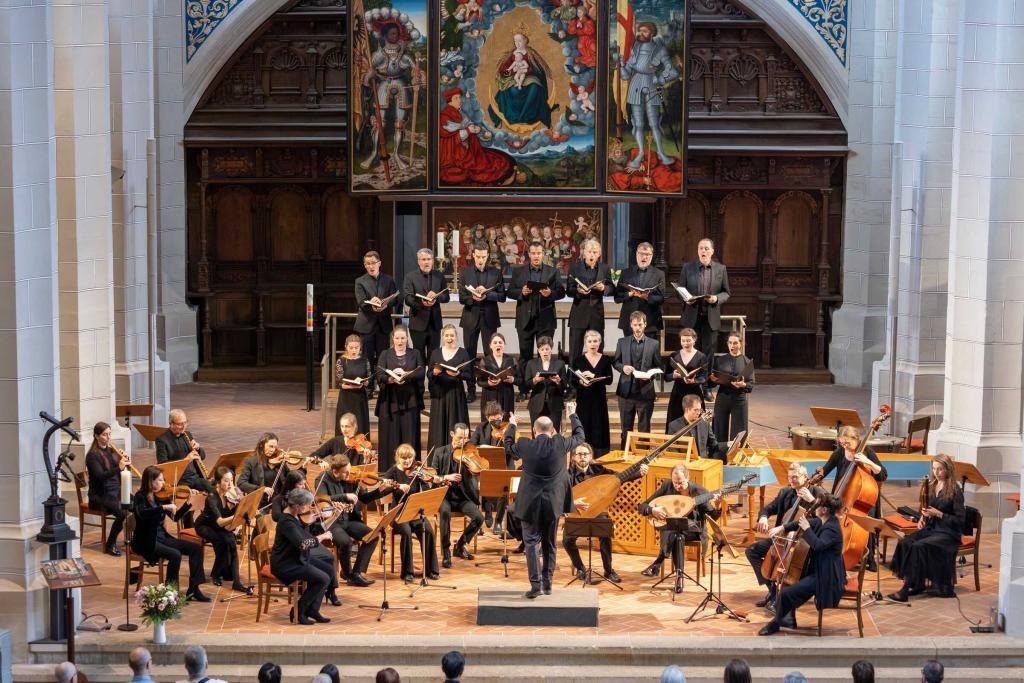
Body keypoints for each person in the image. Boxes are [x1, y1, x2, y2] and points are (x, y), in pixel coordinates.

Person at [504, 403, 585, 598]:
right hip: (553, 504)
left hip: (529, 504)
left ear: (534, 430)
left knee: (531, 543)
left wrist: (512, 425)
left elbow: (508, 446)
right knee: (550, 544)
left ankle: (535, 585)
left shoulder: (524, 444)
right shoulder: (560, 443)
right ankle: (548, 584)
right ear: (553, 430)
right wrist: (572, 413)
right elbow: (580, 437)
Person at [758, 493, 846, 635]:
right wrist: (782, 528)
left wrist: (807, 529)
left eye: (816, 506)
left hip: (827, 576)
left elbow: (818, 545)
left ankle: (776, 623)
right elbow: (799, 523)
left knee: (786, 593)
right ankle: (786, 619)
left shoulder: (832, 528)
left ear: (824, 510)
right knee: (790, 588)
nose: (814, 508)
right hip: (819, 571)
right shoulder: (823, 521)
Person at [745, 462, 826, 609]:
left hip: (803, 544)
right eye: (790, 477)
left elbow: (825, 519)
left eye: (795, 477)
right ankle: (773, 590)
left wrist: (812, 501)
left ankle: (783, 598)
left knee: (789, 566)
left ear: (806, 477)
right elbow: (768, 508)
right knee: (751, 551)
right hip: (782, 540)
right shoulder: (785, 492)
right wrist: (763, 517)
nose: (792, 480)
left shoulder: (818, 493)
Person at [564, 442, 647, 583]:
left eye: (585, 454)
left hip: (597, 511)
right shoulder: (567, 475)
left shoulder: (598, 469)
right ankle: (580, 568)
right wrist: (572, 504)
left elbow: (619, 478)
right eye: (579, 454)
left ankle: (608, 571)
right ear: (573, 457)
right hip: (576, 513)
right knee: (567, 540)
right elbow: (559, 495)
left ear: (590, 456)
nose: (582, 457)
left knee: (605, 532)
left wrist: (639, 473)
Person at [888, 454, 964, 601]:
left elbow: (960, 520)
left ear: (948, 469)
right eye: (934, 469)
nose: (936, 472)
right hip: (932, 528)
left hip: (948, 533)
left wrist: (940, 514)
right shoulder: (932, 485)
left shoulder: (955, 489)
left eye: (940, 469)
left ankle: (905, 590)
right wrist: (923, 517)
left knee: (918, 546)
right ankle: (917, 584)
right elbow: (928, 508)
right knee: (905, 542)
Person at [131, 466, 209, 601]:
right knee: (175, 554)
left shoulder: (161, 496)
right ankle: (171, 593)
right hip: (146, 541)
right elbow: (142, 514)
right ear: (151, 481)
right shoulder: (140, 497)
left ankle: (194, 588)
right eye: (160, 480)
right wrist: (162, 508)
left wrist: (188, 503)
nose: (163, 483)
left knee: (195, 548)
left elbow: (175, 517)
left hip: (162, 538)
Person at [638, 464, 721, 591]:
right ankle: (679, 577)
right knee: (677, 535)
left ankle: (657, 563)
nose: (677, 486)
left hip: (694, 530)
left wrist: (718, 506)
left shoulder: (699, 492)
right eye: (675, 482)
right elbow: (642, 506)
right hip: (675, 531)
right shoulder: (667, 486)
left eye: (681, 482)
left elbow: (712, 517)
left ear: (688, 478)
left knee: (674, 528)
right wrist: (653, 510)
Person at [368, 443, 440, 582]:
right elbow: (384, 490)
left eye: (410, 458)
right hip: (398, 514)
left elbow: (426, 491)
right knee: (406, 533)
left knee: (429, 531)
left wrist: (433, 481)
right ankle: (407, 572)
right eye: (403, 458)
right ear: (398, 458)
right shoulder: (392, 472)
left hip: (415, 512)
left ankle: (431, 569)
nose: (407, 461)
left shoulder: (417, 472)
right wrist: (398, 487)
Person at [820, 424, 888, 570]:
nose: (845, 446)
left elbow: (883, 474)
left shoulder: (867, 452)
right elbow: (825, 470)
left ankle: (868, 557)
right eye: (842, 443)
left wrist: (867, 461)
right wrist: (817, 475)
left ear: (856, 439)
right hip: (843, 497)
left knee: (864, 522)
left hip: (862, 498)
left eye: (847, 443)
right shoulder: (839, 453)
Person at [619, 21, 679, 169]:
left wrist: (659, 79)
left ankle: (661, 153)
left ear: (652, 33)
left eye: (644, 31)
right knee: (638, 124)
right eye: (640, 31)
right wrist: (621, 64)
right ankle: (640, 153)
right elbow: (625, 75)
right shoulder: (635, 48)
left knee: (654, 124)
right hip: (635, 86)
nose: (641, 34)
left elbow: (673, 71)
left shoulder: (660, 50)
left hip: (652, 86)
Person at [270, 488, 335, 625]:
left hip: (298, 558)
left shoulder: (295, 516)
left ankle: (312, 609)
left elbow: (304, 533)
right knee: (322, 579)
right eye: (306, 505)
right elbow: (304, 544)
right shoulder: (286, 522)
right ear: (298, 505)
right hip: (286, 564)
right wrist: (322, 537)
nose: (308, 508)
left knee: (329, 571)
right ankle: (298, 612)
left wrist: (317, 520)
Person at [313, 454, 378, 587]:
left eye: (349, 471)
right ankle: (347, 573)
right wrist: (345, 496)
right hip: (332, 522)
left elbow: (364, 499)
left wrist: (381, 490)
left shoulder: (348, 479)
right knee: (345, 542)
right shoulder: (322, 480)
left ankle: (356, 573)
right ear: (335, 472)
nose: (348, 475)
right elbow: (322, 499)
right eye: (345, 472)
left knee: (373, 535)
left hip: (348, 520)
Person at [428, 424, 484, 567]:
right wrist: (447, 477)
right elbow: (431, 476)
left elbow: (477, 472)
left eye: (466, 438)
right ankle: (446, 551)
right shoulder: (440, 452)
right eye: (460, 438)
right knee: (445, 512)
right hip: (444, 496)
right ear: (452, 434)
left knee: (479, 517)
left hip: (462, 497)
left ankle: (460, 545)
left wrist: (474, 468)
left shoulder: (468, 453)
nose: (463, 441)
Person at [438, 88, 516, 186]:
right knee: (482, 168)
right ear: (450, 101)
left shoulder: (460, 113)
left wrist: (481, 132)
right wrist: (468, 131)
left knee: (494, 159)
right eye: (456, 98)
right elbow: (450, 138)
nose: (460, 100)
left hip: (470, 150)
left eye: (460, 97)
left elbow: (470, 126)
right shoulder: (444, 116)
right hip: (455, 154)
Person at [458, 240, 506, 402]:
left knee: (489, 355)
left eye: (483, 257)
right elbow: (462, 298)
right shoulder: (465, 273)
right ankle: (471, 390)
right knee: (469, 356)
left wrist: (487, 295)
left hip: (490, 318)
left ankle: (489, 387)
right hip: (470, 317)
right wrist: (473, 296)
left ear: (487, 256)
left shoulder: (495, 273)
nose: (480, 260)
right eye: (478, 256)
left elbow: (502, 296)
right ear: (473, 256)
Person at [195, 467, 252, 595]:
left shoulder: (230, 494)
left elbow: (234, 513)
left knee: (231, 542)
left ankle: (236, 582)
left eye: (231, 480)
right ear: (218, 482)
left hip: (220, 526)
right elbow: (220, 521)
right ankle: (216, 573)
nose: (230, 484)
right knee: (222, 541)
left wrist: (243, 505)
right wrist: (238, 515)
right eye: (226, 481)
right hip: (205, 525)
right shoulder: (212, 498)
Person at [375, 324, 425, 472]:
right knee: (391, 434)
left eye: (403, 338)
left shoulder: (415, 353)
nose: (400, 341)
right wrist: (391, 379)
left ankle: (411, 467)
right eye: (397, 338)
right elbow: (379, 374)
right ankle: (389, 468)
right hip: (390, 400)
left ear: (407, 338)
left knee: (410, 433)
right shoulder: (385, 354)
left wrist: (406, 375)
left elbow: (421, 371)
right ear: (393, 338)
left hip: (410, 400)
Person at [677, 238, 731, 369]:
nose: (703, 251)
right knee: (690, 352)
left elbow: (726, 292)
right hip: (691, 317)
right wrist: (686, 299)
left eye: (706, 248)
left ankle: (705, 385)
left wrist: (716, 299)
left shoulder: (720, 269)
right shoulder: (687, 268)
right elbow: (679, 291)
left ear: (712, 251)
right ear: (697, 250)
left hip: (710, 318)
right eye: (700, 248)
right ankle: (691, 383)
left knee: (708, 353)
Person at [507, 240, 564, 364]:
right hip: (525, 320)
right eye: (533, 253)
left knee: (544, 356)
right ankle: (525, 383)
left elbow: (561, 292)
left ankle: (543, 383)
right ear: (529, 254)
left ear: (543, 253)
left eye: (538, 253)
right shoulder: (518, 271)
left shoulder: (553, 271)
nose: (536, 256)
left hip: (545, 320)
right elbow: (510, 292)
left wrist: (550, 294)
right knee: (524, 356)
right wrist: (521, 292)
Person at [613, 311, 661, 449]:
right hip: (626, 393)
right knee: (625, 429)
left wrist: (651, 374)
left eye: (640, 324)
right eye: (635, 325)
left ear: (645, 324)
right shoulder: (622, 342)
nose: (638, 328)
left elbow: (658, 366)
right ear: (631, 325)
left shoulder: (654, 344)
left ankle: (644, 459)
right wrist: (623, 368)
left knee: (644, 430)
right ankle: (625, 457)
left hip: (645, 393)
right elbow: (616, 362)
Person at [470, 400, 516, 535]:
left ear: (502, 415)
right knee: (478, 482)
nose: (497, 423)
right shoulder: (481, 428)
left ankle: (498, 521)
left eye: (499, 418)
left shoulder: (509, 429)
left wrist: (505, 438)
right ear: (487, 418)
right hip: (485, 468)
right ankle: (487, 511)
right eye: (493, 420)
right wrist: (482, 448)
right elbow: (472, 446)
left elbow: (515, 453)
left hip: (504, 468)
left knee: (504, 491)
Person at [354, 251, 399, 389]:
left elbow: (396, 298)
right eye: (367, 264)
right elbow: (361, 302)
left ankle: (382, 385)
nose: (370, 266)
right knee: (366, 358)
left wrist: (385, 304)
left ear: (379, 263)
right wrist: (371, 303)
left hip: (383, 325)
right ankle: (368, 387)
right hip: (366, 324)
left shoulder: (388, 280)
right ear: (365, 265)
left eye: (373, 263)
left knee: (382, 357)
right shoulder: (360, 281)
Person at [566, 239, 612, 364]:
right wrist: (577, 290)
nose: (591, 254)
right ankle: (573, 381)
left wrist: (604, 288)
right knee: (575, 350)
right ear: (584, 253)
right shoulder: (575, 267)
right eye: (589, 251)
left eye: (594, 252)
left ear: (599, 254)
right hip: (579, 313)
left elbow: (612, 288)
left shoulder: (605, 268)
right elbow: (568, 290)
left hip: (596, 314)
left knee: (598, 349)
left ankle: (597, 380)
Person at [85, 421, 127, 555]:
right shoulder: (92, 456)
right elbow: (100, 476)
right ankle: (110, 544)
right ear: (96, 436)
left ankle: (135, 540)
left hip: (115, 491)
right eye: (104, 435)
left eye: (110, 434)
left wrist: (124, 460)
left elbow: (118, 471)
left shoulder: (111, 450)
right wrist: (118, 467)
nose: (109, 438)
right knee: (122, 514)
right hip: (100, 495)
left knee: (138, 504)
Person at [427, 324, 472, 450]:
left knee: (455, 423)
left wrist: (459, 374)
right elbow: (429, 374)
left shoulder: (463, 352)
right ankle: (438, 458)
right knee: (439, 426)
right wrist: (434, 372)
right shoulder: (436, 352)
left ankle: (458, 454)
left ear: (456, 337)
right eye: (446, 335)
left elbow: (469, 375)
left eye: (452, 335)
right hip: (440, 394)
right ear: (442, 337)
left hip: (456, 394)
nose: (449, 338)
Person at [403, 248, 451, 364]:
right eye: (423, 259)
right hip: (417, 322)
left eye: (429, 259)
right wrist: (422, 303)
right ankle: (419, 382)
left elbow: (446, 297)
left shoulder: (439, 276)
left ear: (432, 261)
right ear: (418, 261)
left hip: (435, 324)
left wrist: (436, 297)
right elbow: (408, 298)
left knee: (434, 357)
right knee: (418, 357)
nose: (426, 262)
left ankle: (432, 382)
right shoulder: (410, 277)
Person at [570, 330, 613, 456]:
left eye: (595, 341)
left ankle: (600, 457)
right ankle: (581, 454)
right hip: (583, 400)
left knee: (599, 427)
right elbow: (572, 380)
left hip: (599, 399)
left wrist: (594, 375)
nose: (592, 344)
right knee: (584, 426)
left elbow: (609, 379)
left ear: (599, 343)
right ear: (585, 343)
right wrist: (580, 382)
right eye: (589, 341)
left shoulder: (605, 359)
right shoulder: (579, 360)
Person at [614, 242, 665, 341]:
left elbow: (661, 298)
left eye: (647, 254)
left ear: (652, 255)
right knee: (629, 353)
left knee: (648, 354)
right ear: (636, 254)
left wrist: (647, 297)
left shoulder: (659, 274)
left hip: (650, 322)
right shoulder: (626, 273)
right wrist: (629, 294)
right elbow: (617, 297)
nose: (644, 257)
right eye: (641, 253)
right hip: (629, 321)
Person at [155, 409, 213, 494]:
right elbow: (163, 466)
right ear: (171, 424)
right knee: (187, 497)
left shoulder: (187, 435)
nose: (184, 426)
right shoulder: (162, 440)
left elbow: (203, 456)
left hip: (194, 478)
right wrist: (186, 460)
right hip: (179, 481)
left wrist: (198, 449)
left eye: (185, 422)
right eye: (180, 424)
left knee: (212, 489)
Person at [711, 332, 754, 442]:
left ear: (741, 344)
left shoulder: (747, 362)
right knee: (719, 428)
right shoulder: (720, 360)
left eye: (735, 343)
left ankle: (737, 455)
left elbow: (750, 385)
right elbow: (712, 382)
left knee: (739, 431)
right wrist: (712, 380)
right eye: (730, 343)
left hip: (739, 399)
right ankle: (719, 455)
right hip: (722, 397)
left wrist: (743, 385)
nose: (732, 346)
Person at [521, 336, 569, 428]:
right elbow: (526, 385)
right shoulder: (531, 363)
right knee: (536, 434)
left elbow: (564, 386)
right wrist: (535, 380)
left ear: (551, 349)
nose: (545, 351)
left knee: (553, 433)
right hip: (536, 404)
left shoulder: (560, 364)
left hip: (555, 404)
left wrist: (558, 381)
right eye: (542, 349)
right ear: (538, 350)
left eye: (547, 349)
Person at [664, 328, 707, 424]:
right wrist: (673, 376)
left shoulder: (701, 356)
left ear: (694, 340)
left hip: (694, 392)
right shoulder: (674, 355)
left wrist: (694, 381)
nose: (685, 343)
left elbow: (704, 377)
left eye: (688, 340)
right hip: (678, 392)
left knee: (697, 420)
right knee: (675, 419)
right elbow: (666, 376)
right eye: (683, 341)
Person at [666, 395, 725, 461]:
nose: (699, 413)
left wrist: (727, 444)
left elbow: (714, 445)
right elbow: (673, 450)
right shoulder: (674, 426)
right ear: (687, 409)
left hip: (703, 463)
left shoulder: (704, 423)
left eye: (700, 410)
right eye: (695, 410)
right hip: (684, 464)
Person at [237, 432, 290, 505]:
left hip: (279, 501)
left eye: (275, 447)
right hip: (261, 502)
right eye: (270, 446)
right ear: (262, 445)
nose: (273, 450)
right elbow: (241, 483)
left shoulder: (279, 461)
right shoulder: (251, 462)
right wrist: (262, 489)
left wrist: (303, 468)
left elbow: (290, 477)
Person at [476, 332, 518, 422]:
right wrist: (488, 383)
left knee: (506, 421)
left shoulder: (512, 360)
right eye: (495, 343)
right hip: (490, 395)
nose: (497, 345)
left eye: (500, 342)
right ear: (490, 345)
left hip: (506, 394)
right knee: (489, 424)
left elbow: (520, 379)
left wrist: (513, 380)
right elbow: (479, 381)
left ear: (504, 344)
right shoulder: (485, 361)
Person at [334, 334, 371, 434]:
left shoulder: (364, 360)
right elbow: (339, 383)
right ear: (346, 347)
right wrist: (351, 385)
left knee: (360, 423)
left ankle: (361, 446)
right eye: (351, 348)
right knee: (346, 422)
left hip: (360, 397)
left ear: (360, 348)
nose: (354, 350)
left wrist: (366, 382)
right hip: (346, 397)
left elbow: (368, 378)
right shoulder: (341, 361)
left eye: (356, 348)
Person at [310, 413, 376, 466]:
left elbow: (363, 471)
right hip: (336, 477)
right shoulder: (335, 441)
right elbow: (314, 455)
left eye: (347, 426)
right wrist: (321, 462)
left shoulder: (361, 446)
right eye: (342, 426)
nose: (344, 429)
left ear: (354, 427)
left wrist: (366, 459)